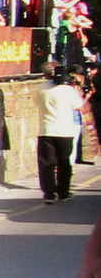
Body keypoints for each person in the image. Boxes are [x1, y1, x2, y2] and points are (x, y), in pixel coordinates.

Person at [38, 65, 83, 204]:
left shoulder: (40, 89)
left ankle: (49, 193)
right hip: (64, 130)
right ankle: (63, 192)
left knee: (47, 164)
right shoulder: (67, 90)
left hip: (46, 130)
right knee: (64, 163)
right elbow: (78, 105)